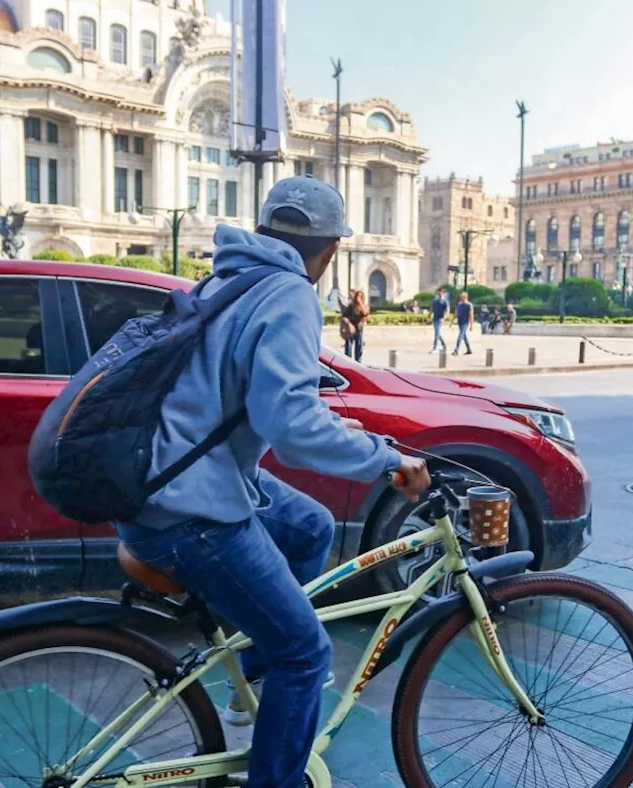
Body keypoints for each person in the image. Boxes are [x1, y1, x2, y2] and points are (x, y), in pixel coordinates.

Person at [112, 175, 430, 788]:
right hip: (191, 510)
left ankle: (251, 677)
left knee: (309, 525)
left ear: (263, 230)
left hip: (159, 483)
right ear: (331, 249)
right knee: (307, 655)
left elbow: (264, 400)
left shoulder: (225, 279)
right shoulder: (288, 293)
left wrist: (337, 425)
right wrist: (384, 457)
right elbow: (290, 428)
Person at [340, 289, 369, 362]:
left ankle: (358, 361)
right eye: (357, 296)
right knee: (349, 345)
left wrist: (361, 304)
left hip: (359, 328)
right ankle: (347, 360)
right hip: (351, 328)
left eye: (360, 296)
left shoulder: (364, 306)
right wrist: (348, 323)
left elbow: (365, 314)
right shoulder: (351, 306)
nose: (358, 298)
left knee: (359, 345)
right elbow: (344, 315)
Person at [429, 287, 449, 353]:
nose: (439, 293)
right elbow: (432, 309)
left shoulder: (445, 301)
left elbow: (447, 310)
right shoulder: (435, 301)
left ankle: (435, 347)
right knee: (438, 333)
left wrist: (444, 317)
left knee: (437, 333)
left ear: (442, 293)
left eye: (440, 292)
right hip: (435, 318)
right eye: (438, 292)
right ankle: (444, 344)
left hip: (440, 319)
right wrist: (429, 315)